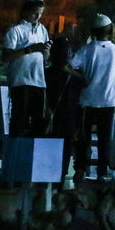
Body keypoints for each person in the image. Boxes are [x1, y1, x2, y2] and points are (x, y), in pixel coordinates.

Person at [69, 13, 115, 181]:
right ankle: (102, 172)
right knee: (105, 138)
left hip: (88, 99)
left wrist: (82, 77)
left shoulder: (86, 50)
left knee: (83, 137)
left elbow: (68, 66)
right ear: (110, 30)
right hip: (109, 99)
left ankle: (80, 169)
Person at [2, 0, 51, 137]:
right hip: (20, 81)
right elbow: (6, 56)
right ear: (25, 11)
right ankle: (15, 147)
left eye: (40, 14)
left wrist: (46, 51)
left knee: (38, 121)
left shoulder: (42, 30)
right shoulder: (15, 30)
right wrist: (29, 49)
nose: (37, 17)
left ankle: (32, 148)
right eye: (34, 13)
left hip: (39, 81)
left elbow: (45, 58)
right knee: (19, 118)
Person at [44, 35, 84, 185]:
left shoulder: (46, 73)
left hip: (50, 119)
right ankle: (60, 181)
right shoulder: (75, 76)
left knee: (48, 153)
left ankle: (48, 183)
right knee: (65, 153)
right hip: (69, 118)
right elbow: (80, 101)